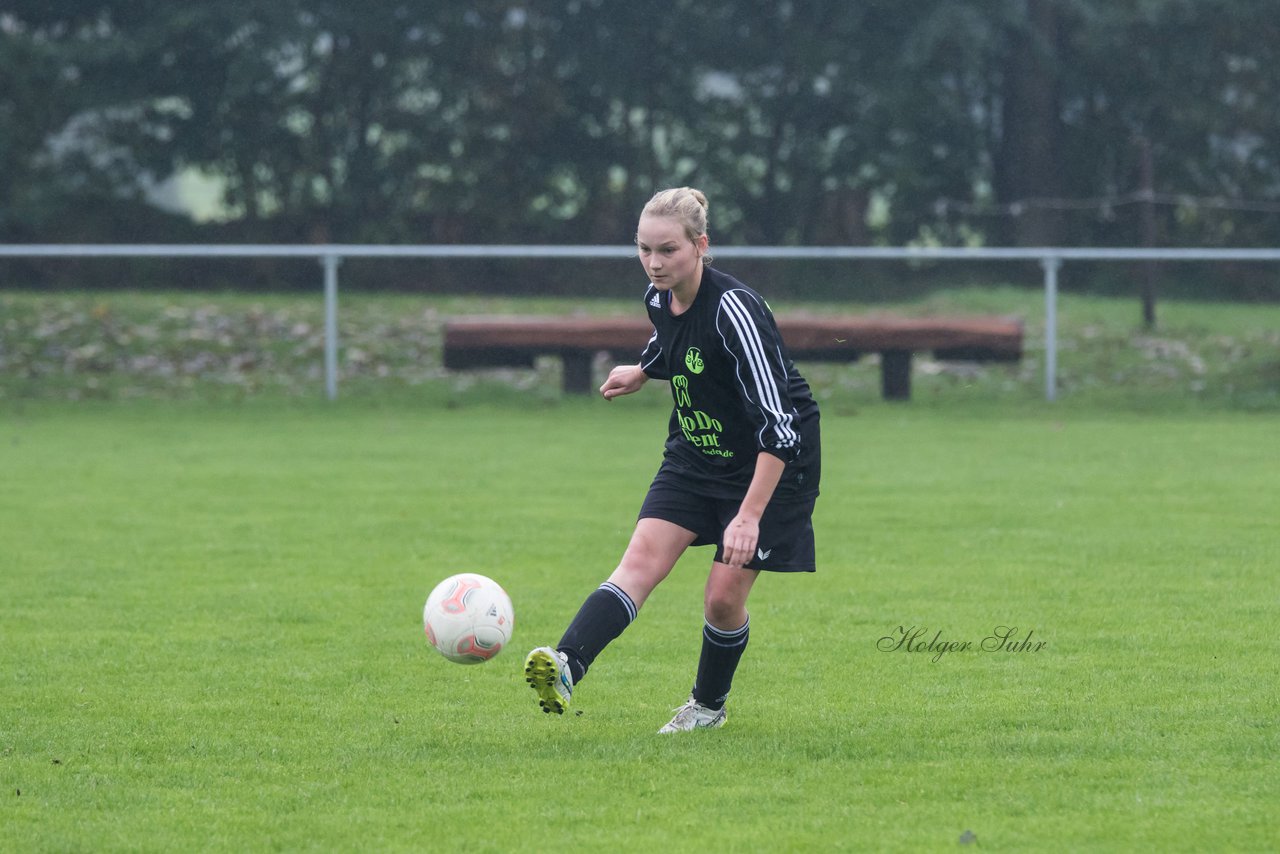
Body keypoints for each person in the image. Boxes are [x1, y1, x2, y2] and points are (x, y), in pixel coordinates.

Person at [524, 186, 821, 733]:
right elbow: (677, 341)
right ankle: (566, 665)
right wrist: (644, 369)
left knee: (723, 598)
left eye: (667, 251)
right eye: (644, 250)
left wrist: (749, 514)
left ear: (700, 246)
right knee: (638, 563)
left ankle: (707, 708)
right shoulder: (658, 297)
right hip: (695, 452)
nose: (654, 264)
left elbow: (779, 424)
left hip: (771, 462)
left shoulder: (737, 310)